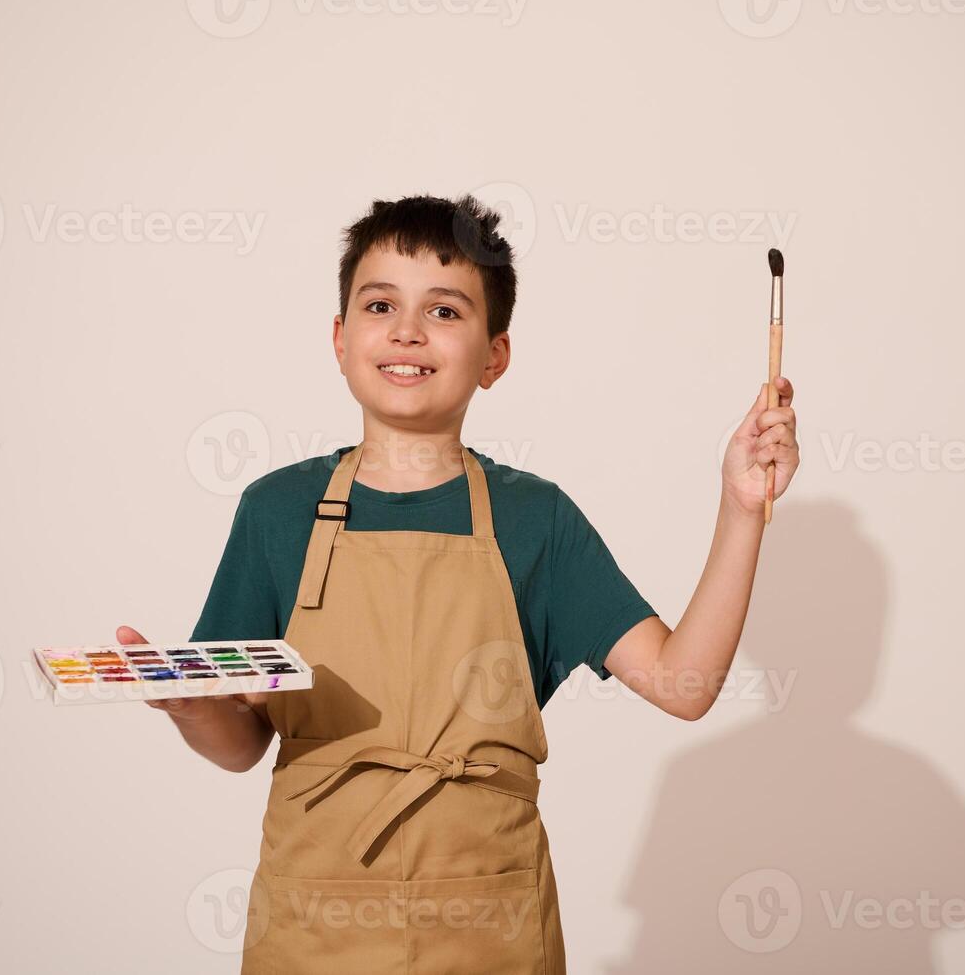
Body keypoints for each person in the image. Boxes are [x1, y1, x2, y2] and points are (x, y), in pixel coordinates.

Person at [116, 193, 800, 973]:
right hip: (313, 925)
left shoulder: (535, 518)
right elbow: (240, 746)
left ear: (494, 356)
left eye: (444, 311)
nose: (407, 330)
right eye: (380, 305)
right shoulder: (276, 512)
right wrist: (187, 708)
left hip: (488, 925)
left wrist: (741, 508)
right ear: (341, 341)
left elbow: (684, 685)